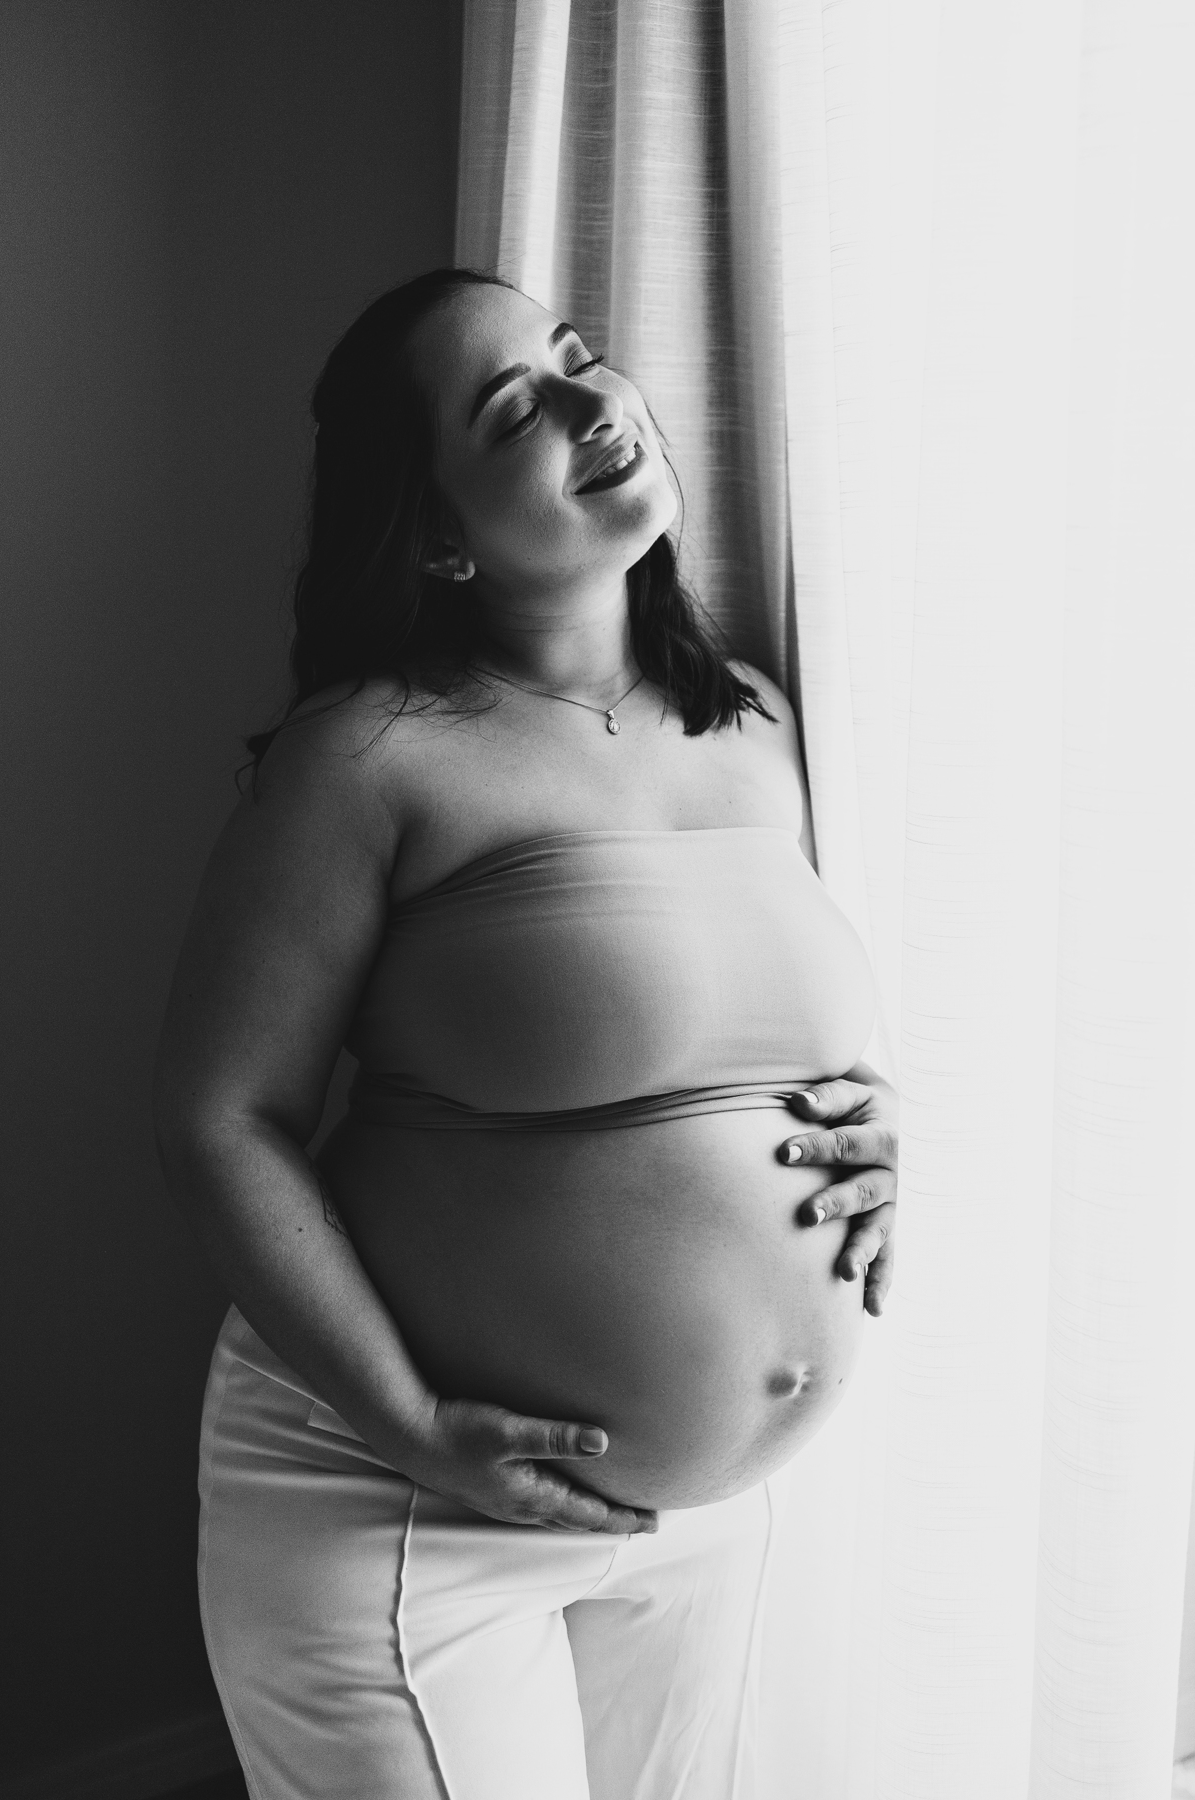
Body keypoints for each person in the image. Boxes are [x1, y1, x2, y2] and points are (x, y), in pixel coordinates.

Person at [154, 268, 899, 1800]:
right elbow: (220, 1117)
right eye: (514, 412)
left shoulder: (757, 723)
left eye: (579, 357)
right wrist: (413, 1423)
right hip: (404, 1495)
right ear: (437, 533)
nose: (592, 403)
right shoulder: (369, 755)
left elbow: (735, 1042)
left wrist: (875, 1130)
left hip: (710, 1525)